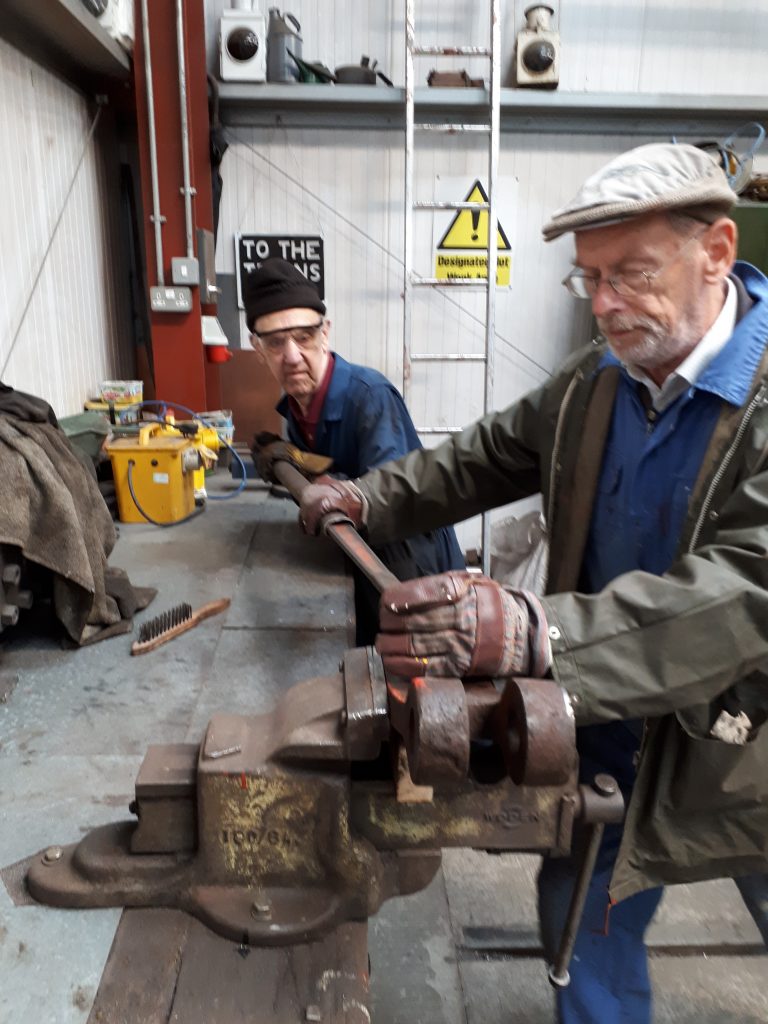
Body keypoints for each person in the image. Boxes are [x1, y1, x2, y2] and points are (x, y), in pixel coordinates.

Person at [296, 143, 768, 1022]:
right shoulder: (600, 380)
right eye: (587, 280)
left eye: (629, 273)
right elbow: (487, 456)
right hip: (615, 715)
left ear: (717, 250)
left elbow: (748, 588)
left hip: (748, 739)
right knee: (585, 918)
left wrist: (537, 634)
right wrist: (365, 495)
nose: (605, 304)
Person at [243, 257, 465, 645]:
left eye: (304, 337)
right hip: (359, 556)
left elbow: (392, 496)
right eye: (276, 343)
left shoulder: (370, 397)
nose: (292, 356)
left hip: (412, 565)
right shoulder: (295, 408)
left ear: (326, 333)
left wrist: (332, 486)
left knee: (421, 669)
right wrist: (287, 459)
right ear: (256, 348)